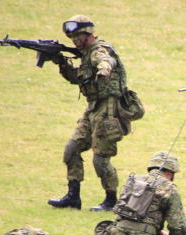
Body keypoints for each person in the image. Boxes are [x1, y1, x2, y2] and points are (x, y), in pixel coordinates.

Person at [48, 15, 143, 211]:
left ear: (88, 34)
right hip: (92, 109)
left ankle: (111, 200)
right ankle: (73, 196)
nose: (74, 41)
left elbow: (106, 61)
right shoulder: (85, 54)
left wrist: (104, 69)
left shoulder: (99, 50)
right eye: (72, 38)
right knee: (71, 149)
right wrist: (61, 63)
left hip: (108, 110)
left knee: (100, 158)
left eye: (77, 36)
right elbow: (78, 79)